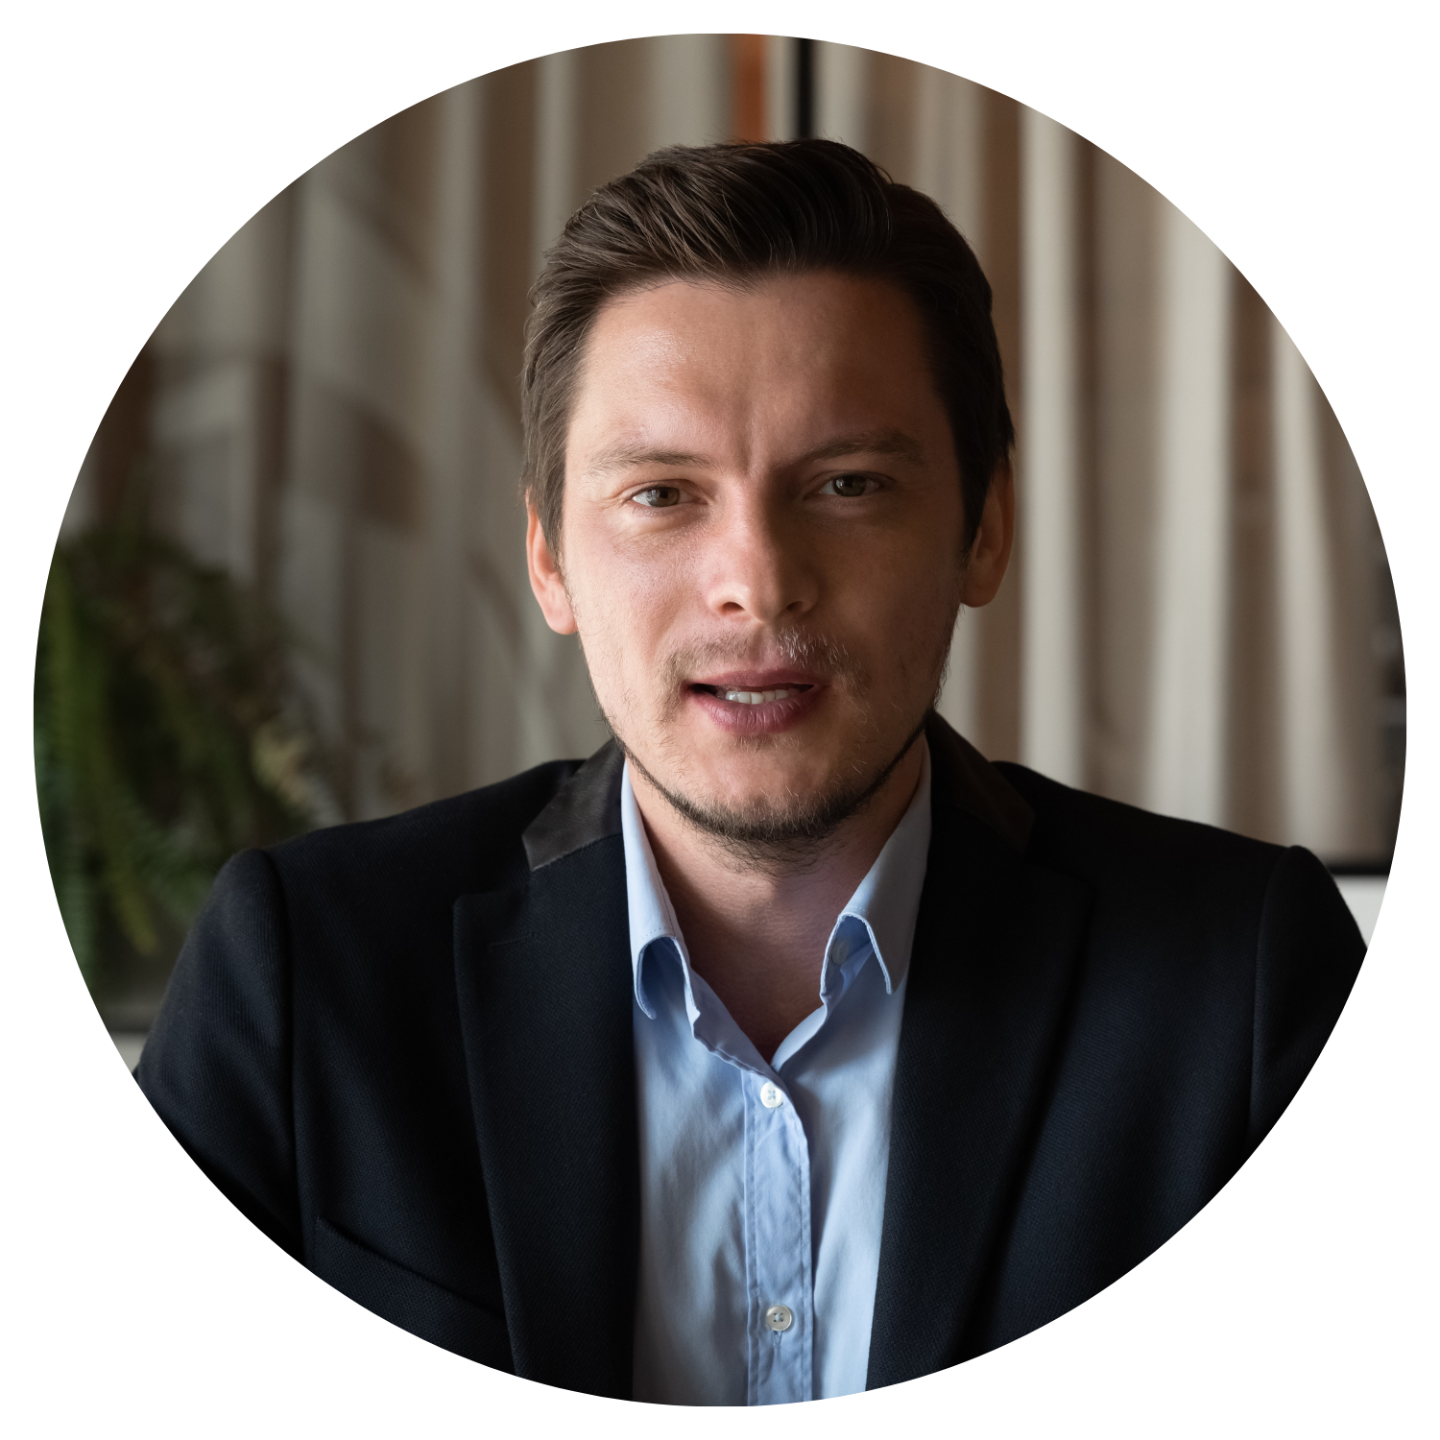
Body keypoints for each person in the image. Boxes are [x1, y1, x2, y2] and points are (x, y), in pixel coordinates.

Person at [135, 140, 1365, 1406]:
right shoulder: (306, 978)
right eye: (662, 494)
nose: (758, 582)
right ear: (549, 557)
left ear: (985, 529)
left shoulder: (1243, 987)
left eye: (847, 484)